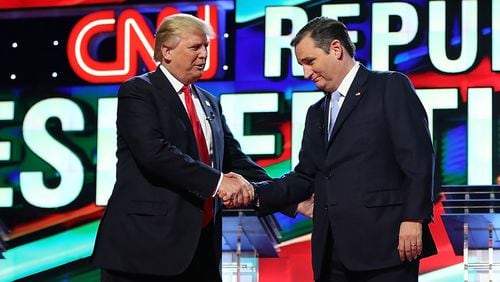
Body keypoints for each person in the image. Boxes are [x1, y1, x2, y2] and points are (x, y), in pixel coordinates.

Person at [227, 17, 438, 281]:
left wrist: (414, 219)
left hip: (387, 246)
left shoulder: (389, 86)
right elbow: (305, 176)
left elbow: (418, 158)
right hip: (332, 254)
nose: (306, 73)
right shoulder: (316, 112)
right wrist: (254, 192)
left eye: (310, 62)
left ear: (336, 49)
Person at [91, 13, 266, 282]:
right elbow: (154, 153)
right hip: (144, 252)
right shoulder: (138, 91)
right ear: (167, 51)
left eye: (206, 47)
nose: (204, 54)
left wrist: (291, 197)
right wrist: (219, 183)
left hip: (200, 248)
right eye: (195, 47)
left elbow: (234, 160)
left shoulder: (209, 101)